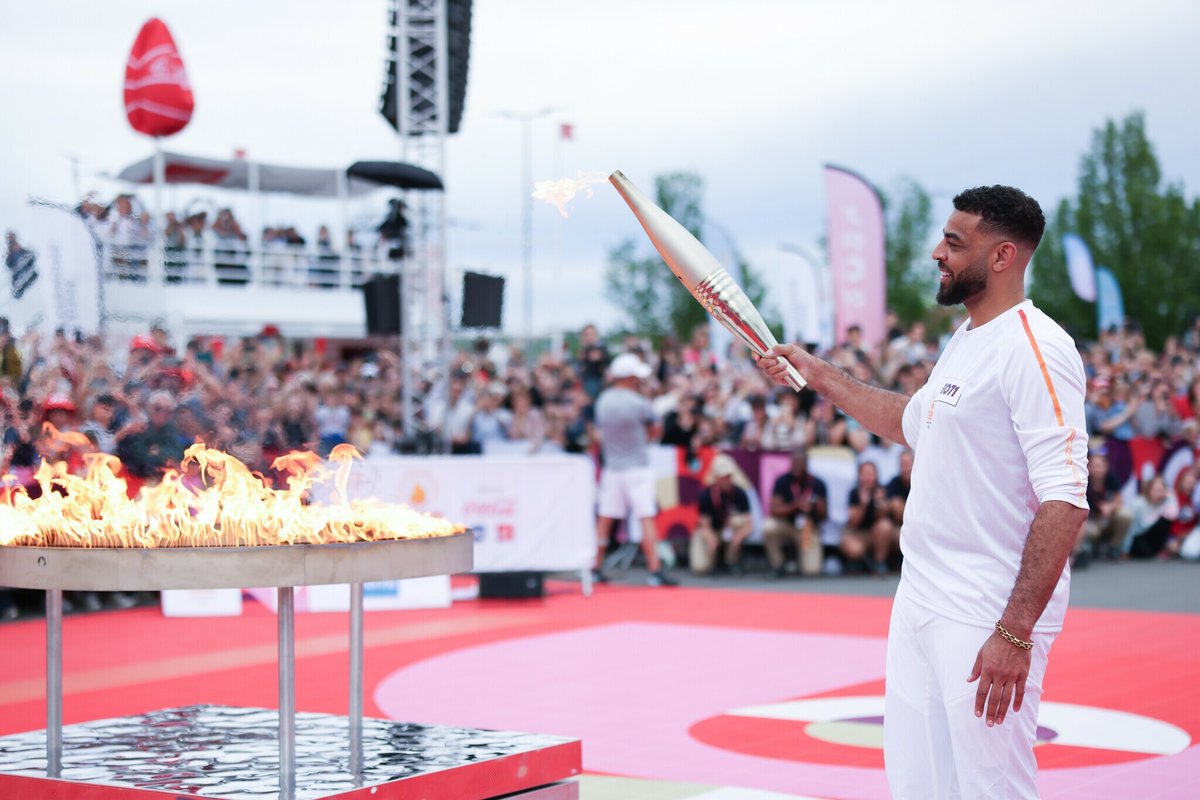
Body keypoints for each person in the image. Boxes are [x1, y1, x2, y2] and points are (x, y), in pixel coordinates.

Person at [756, 185, 1089, 799]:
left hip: (985, 609)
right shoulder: (966, 339)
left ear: (1002, 256)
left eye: (955, 242)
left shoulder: (1036, 347)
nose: (938, 252)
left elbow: (1065, 499)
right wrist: (820, 374)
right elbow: (910, 421)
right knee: (920, 786)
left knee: (993, 788)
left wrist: (1014, 633)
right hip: (920, 598)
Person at [593, 352, 676, 587]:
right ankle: (655, 571)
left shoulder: (603, 401)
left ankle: (595, 568)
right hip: (637, 468)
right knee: (646, 517)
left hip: (613, 468)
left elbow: (600, 433)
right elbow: (655, 430)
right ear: (628, 377)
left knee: (606, 519)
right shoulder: (639, 403)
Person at [761, 447, 827, 578]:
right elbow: (774, 510)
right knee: (768, 526)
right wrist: (795, 506)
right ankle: (778, 564)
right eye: (795, 463)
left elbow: (824, 515)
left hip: (808, 527)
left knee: (812, 570)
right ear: (790, 463)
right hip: (787, 524)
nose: (797, 466)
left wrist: (817, 506)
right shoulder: (782, 481)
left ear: (806, 464)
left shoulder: (817, 483)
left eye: (801, 463)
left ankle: (800, 562)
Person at [689, 453, 752, 576]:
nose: (726, 480)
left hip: (729, 531)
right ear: (716, 478)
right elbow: (704, 525)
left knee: (737, 521)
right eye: (722, 477)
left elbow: (749, 523)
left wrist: (740, 536)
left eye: (728, 476)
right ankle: (714, 561)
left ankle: (731, 561)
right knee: (700, 568)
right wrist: (711, 539)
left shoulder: (740, 493)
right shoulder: (706, 495)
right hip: (712, 530)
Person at [840, 460, 898, 575]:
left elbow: (885, 519)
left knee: (885, 526)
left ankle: (880, 562)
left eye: (871, 474)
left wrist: (880, 504)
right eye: (865, 474)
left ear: (876, 475)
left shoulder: (882, 491)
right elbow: (854, 523)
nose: (868, 477)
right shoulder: (854, 493)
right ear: (859, 476)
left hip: (876, 532)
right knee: (853, 548)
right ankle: (867, 562)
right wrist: (863, 504)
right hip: (858, 533)